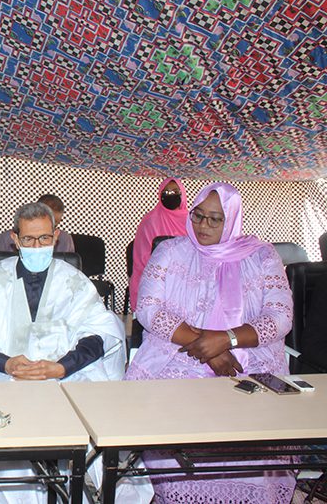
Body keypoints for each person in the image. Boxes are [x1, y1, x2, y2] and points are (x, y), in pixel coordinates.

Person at [0, 202, 130, 504]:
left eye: (44, 238)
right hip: (3, 377)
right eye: (29, 239)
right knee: (0, 440)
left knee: (88, 430)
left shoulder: (73, 281)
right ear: (15, 239)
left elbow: (102, 334)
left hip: (64, 378)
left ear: (56, 237)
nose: (37, 246)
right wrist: (6, 363)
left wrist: (63, 367)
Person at [125, 182, 295, 502]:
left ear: (232, 219)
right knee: (170, 419)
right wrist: (210, 350)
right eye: (198, 215)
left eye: (215, 219)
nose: (203, 225)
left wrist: (227, 339)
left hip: (247, 362)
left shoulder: (262, 255)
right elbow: (148, 309)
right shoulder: (171, 251)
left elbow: (280, 316)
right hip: (179, 357)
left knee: (257, 425)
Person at [128, 177, 187, 312]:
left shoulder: (192, 221)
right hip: (154, 279)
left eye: (175, 192)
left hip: (184, 280)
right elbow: (143, 258)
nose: (171, 195)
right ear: (160, 195)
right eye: (166, 192)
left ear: (182, 194)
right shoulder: (150, 221)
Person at [0, 194, 74, 253]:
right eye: (28, 239)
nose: (37, 246)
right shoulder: (5, 239)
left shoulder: (66, 240)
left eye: (54, 225)